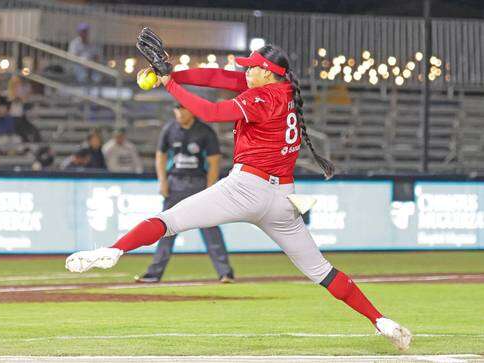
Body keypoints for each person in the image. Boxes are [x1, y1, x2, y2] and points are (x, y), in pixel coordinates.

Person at [66, 44, 411, 351]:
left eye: (252, 66)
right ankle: (381, 321)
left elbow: (212, 113)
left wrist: (170, 85)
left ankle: (113, 251)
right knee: (321, 271)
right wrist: (172, 72)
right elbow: (219, 78)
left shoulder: (262, 98)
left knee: (170, 219)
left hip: (247, 188)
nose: (246, 70)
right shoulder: (285, 89)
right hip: (282, 199)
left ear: (268, 72)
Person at [136, 103, 234, 283]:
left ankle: (225, 272)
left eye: (183, 109)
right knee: (166, 229)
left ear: (192, 110)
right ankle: (154, 273)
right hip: (175, 183)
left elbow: (214, 161)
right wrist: (163, 181)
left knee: (210, 228)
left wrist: (210, 189)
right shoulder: (169, 129)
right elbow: (161, 155)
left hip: (198, 183)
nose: (179, 113)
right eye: (177, 109)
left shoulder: (205, 131)